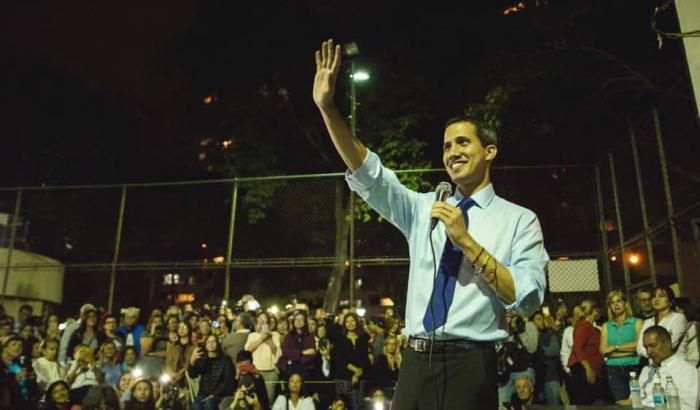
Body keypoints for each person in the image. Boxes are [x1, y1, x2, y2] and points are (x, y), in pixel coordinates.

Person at [312, 39, 548, 410]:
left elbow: (528, 298)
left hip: (472, 363)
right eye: (446, 146)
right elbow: (368, 171)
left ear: (489, 151)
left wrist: (466, 241)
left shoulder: (519, 219)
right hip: (416, 360)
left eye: (462, 143)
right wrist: (327, 108)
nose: (452, 152)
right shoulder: (424, 207)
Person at [621, 326, 699, 410]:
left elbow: (689, 407)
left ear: (667, 344)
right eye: (646, 347)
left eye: (653, 345)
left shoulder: (687, 370)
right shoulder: (647, 370)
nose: (648, 352)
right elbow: (634, 400)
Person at [599, 290, 642, 404]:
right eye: (612, 302)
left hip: (635, 368)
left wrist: (615, 347)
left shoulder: (637, 322)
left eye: (619, 301)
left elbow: (639, 346)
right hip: (614, 371)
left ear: (626, 304)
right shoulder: (606, 326)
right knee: (621, 404)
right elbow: (604, 351)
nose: (616, 304)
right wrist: (631, 350)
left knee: (637, 403)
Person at [567, 299, 604, 405]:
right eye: (597, 309)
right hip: (583, 369)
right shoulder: (584, 325)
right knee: (585, 401)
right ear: (593, 311)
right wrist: (588, 368)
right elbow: (577, 347)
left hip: (588, 368)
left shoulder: (589, 326)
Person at [636, 286, 688, 360]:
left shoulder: (678, 318)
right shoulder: (648, 322)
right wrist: (655, 350)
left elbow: (668, 346)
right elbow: (639, 349)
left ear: (671, 300)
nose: (656, 299)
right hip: (653, 365)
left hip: (675, 364)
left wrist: (649, 350)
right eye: (654, 296)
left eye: (661, 296)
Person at [189, 334, 235, 410]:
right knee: (195, 406)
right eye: (209, 342)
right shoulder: (203, 359)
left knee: (208, 405)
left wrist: (214, 395)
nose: (211, 344)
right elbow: (193, 375)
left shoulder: (226, 360)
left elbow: (228, 381)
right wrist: (192, 361)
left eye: (213, 341)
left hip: (219, 394)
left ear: (217, 343)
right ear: (206, 345)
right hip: (203, 393)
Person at [245, 312, 281, 402]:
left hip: (270, 371)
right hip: (255, 371)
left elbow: (277, 352)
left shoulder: (275, 335)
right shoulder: (252, 335)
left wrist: (268, 339)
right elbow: (248, 350)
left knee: (268, 399)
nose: (261, 320)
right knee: (254, 399)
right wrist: (262, 338)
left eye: (264, 318)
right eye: (259, 318)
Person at [530, 311, 560, 405]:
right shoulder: (529, 337)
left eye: (542, 319)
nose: (542, 321)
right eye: (538, 319)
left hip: (550, 376)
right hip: (535, 379)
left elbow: (555, 350)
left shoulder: (549, 334)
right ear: (532, 322)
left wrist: (539, 350)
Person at [277, 311, 316, 380]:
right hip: (290, 368)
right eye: (296, 319)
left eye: (301, 319)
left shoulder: (310, 336)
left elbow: (312, 352)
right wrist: (302, 352)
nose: (298, 321)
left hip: (305, 368)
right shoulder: (288, 336)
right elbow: (286, 352)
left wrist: (296, 358)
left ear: (305, 322)